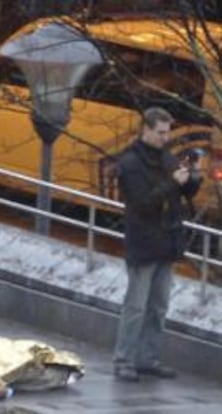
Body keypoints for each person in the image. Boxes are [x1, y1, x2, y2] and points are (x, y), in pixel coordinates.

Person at [113, 107, 202, 382]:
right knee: (136, 306)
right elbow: (141, 203)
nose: (165, 137)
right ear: (147, 130)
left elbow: (181, 191)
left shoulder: (165, 157)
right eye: (161, 132)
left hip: (166, 241)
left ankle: (147, 358)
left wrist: (192, 179)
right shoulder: (129, 163)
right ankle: (124, 359)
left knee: (159, 305)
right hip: (143, 243)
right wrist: (172, 184)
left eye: (167, 132)